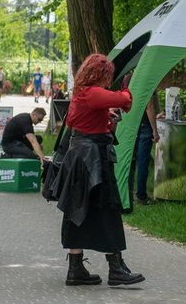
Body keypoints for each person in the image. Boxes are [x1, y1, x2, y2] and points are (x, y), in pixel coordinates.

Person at [55, 53, 144, 287]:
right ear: (101, 74)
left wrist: (105, 114)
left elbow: (78, 121)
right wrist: (127, 88)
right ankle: (116, 269)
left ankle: (75, 269)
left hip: (79, 157)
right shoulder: (93, 93)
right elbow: (125, 99)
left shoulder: (81, 93)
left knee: (77, 210)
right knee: (108, 209)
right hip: (93, 158)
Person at [132, 94, 160, 205]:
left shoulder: (129, 83)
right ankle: (141, 196)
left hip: (133, 125)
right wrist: (155, 130)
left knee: (131, 161)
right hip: (145, 125)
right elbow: (149, 107)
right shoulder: (148, 84)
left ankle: (128, 193)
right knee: (143, 162)